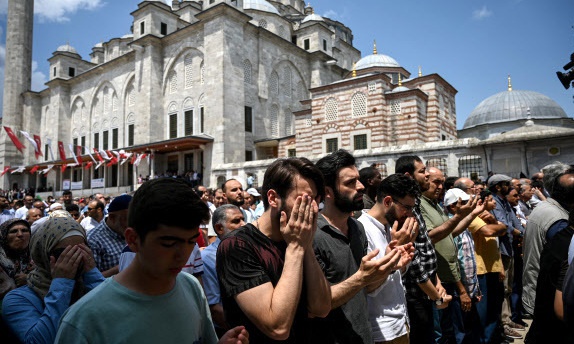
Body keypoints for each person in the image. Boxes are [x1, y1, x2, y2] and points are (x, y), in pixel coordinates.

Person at [55, 178, 249, 343]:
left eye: (191, 242)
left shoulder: (191, 287)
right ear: (133, 240)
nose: (182, 255)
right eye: (168, 243)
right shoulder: (85, 320)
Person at [218, 157, 331, 342]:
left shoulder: (301, 237)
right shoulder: (237, 245)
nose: (313, 209)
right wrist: (295, 248)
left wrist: (306, 246)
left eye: (316, 201)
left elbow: (321, 308)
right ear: (273, 198)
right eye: (305, 200)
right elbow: (278, 327)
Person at [308, 150, 403, 343]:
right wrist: (361, 278)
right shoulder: (312, 235)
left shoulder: (357, 228)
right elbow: (317, 305)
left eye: (358, 180)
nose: (360, 187)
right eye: (350, 183)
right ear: (327, 191)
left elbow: (366, 288)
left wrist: (388, 266)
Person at [2, 216, 104, 344]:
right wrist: (61, 283)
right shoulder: (18, 299)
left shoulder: (90, 285)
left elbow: (116, 316)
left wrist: (92, 274)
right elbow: (41, 341)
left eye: (80, 250)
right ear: (43, 254)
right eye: (64, 253)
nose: (74, 258)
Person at [395, 156, 451, 344]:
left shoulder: (416, 204)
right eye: (422, 171)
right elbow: (413, 257)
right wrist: (436, 296)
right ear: (408, 176)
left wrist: (437, 281)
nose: (426, 174)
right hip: (416, 293)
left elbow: (425, 245)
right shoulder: (405, 209)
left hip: (428, 287)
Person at [357, 173, 418, 343]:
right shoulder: (362, 229)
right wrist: (392, 260)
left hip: (401, 321)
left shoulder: (391, 228)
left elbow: (396, 274)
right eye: (406, 207)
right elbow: (368, 285)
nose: (409, 213)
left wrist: (402, 263)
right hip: (382, 328)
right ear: (388, 201)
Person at [419, 167, 478, 343]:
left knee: (450, 329)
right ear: (425, 179)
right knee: (441, 333)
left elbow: (450, 232)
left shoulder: (435, 204)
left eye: (442, 183)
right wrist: (458, 216)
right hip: (437, 281)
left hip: (449, 278)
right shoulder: (420, 205)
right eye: (436, 182)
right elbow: (431, 237)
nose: (440, 186)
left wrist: (469, 214)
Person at [523, 164, 574, 318]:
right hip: (552, 298)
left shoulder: (546, 207)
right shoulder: (559, 221)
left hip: (541, 292)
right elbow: (564, 266)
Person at [525, 211, 574, 343]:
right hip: (555, 326)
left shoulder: (559, 238)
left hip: (544, 319)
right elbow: (561, 310)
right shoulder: (568, 243)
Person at [202, 204, 245, 335]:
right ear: (219, 228)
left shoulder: (245, 251)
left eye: (243, 219)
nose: (244, 224)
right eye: (236, 221)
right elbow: (214, 309)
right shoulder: (207, 258)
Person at [87, 195, 132, 277]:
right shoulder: (93, 240)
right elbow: (92, 281)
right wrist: (122, 267)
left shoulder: (135, 231)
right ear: (112, 218)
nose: (132, 223)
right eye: (128, 219)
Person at [0, 219, 33, 302]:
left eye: (24, 230)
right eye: (13, 231)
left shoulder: (36, 256)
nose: (20, 234)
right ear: (4, 236)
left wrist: (30, 279)